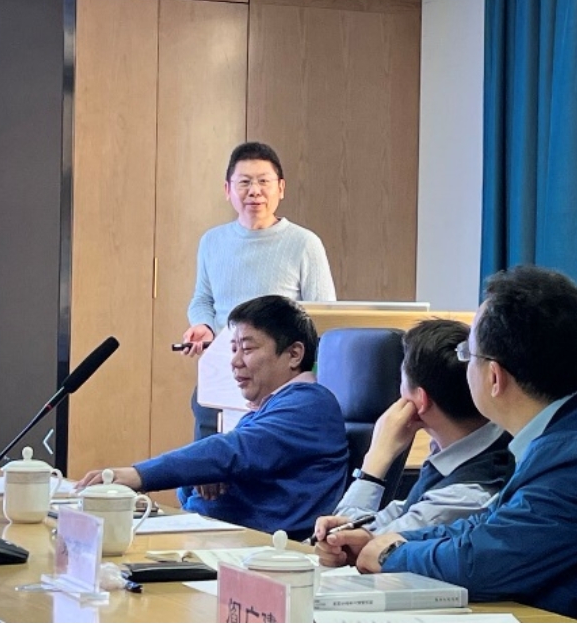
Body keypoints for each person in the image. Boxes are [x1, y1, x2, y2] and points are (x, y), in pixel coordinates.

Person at [314, 265, 577, 623]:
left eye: (468, 354)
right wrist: (386, 542)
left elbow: (485, 561)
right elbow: (489, 526)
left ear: (494, 378)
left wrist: (390, 554)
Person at [78, 295, 348, 541]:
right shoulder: (266, 409)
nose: (235, 361)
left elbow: (232, 451)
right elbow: (205, 475)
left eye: (247, 349)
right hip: (214, 540)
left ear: (294, 354)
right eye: (234, 349)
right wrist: (203, 472)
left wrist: (139, 475)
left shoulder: (311, 404)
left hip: (257, 554)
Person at [182, 141, 336, 439]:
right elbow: (202, 299)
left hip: (278, 378)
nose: (254, 191)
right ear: (227, 190)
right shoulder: (212, 241)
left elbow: (323, 315)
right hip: (224, 370)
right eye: (244, 182)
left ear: (281, 188)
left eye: (264, 181)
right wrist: (203, 326)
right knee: (207, 456)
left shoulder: (305, 243)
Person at [316, 319, 513, 539]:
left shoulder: (465, 494)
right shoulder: (475, 451)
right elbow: (397, 514)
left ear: (421, 400)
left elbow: (355, 546)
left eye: (402, 380)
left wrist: (376, 459)